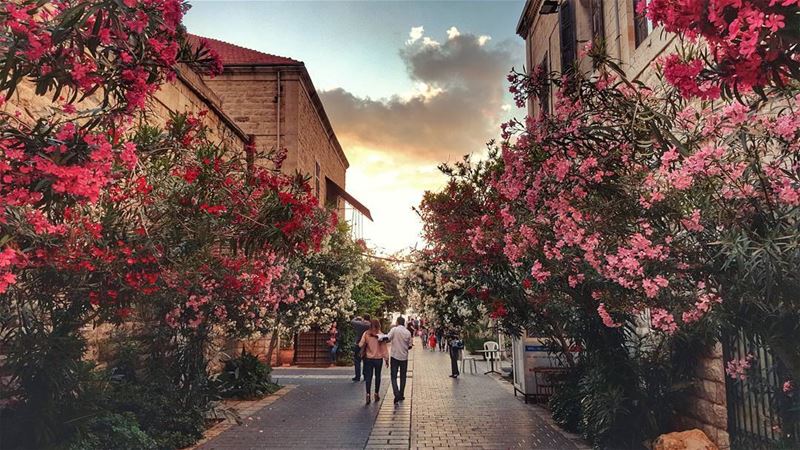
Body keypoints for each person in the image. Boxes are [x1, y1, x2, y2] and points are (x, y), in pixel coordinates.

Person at [358, 318, 389, 404]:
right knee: (378, 376)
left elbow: (360, 344)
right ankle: (376, 393)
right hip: (378, 359)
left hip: (368, 358)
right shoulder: (381, 335)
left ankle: (368, 394)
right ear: (378, 325)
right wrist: (386, 359)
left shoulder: (366, 334)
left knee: (369, 377)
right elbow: (384, 349)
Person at [387, 316, 413, 403]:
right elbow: (410, 346)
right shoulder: (408, 332)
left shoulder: (394, 330)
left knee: (393, 376)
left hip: (394, 356)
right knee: (403, 376)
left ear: (397, 322)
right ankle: (401, 394)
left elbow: (388, 338)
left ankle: (396, 393)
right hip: (404, 357)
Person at [350, 314, 371, 381]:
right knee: (366, 361)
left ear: (363, 318)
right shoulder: (370, 325)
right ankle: (365, 376)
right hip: (367, 344)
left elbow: (352, 321)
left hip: (359, 343)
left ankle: (357, 376)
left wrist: (357, 317)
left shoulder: (360, 324)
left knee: (357, 360)